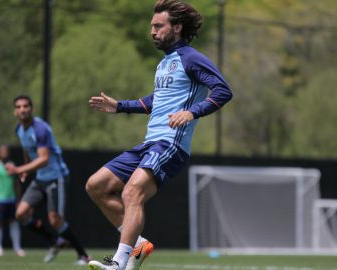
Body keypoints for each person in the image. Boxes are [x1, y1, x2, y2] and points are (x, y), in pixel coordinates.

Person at [86, 0, 233, 269]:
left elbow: (223, 91)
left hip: (171, 144)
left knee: (132, 193)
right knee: (96, 185)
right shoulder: (165, 63)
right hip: (150, 142)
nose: (152, 31)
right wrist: (120, 106)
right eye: (152, 26)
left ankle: (119, 262)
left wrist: (192, 113)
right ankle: (138, 245)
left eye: (158, 26)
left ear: (176, 27)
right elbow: (155, 101)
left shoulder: (191, 58)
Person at [6, 95, 91, 265]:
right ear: (15, 111)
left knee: (55, 220)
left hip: (55, 177)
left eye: (26, 106)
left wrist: (19, 170)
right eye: (19, 107)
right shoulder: (19, 129)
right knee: (21, 214)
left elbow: (44, 158)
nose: (23, 109)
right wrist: (26, 169)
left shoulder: (40, 129)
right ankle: (55, 241)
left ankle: (84, 256)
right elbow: (28, 151)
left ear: (31, 109)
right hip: (40, 178)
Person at [0, 144, 25, 257]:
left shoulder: (13, 165)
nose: (4, 152)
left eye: (6, 150)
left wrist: (18, 200)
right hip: (0, 200)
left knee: (14, 222)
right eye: (2, 150)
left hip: (12, 199)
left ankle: (17, 248)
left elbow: (17, 184)